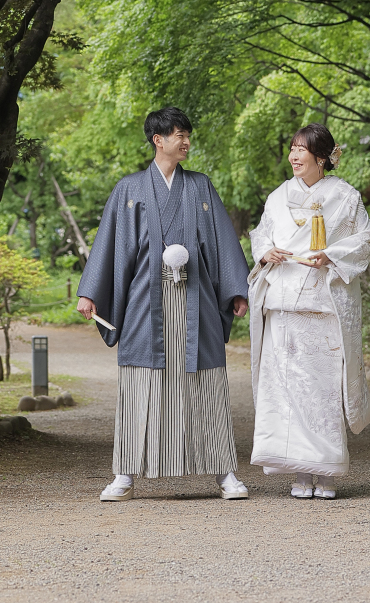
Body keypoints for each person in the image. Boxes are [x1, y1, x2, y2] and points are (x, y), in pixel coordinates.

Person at [77, 106, 250, 502]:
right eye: (178, 134)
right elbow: (112, 244)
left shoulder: (201, 187)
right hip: (144, 301)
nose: (186, 141)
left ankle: (224, 473)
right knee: (140, 383)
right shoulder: (129, 189)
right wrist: (91, 291)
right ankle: (124, 474)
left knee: (205, 382)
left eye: (187, 134)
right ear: (158, 140)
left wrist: (236, 289)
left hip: (198, 300)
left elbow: (223, 241)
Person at [248, 122, 370, 499]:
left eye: (301, 150)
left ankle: (326, 472)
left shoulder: (345, 196)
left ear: (322, 157)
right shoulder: (278, 196)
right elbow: (261, 233)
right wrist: (265, 252)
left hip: (321, 303)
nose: (293, 156)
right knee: (285, 390)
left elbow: (365, 237)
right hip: (283, 302)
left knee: (321, 389)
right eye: (291, 148)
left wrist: (332, 255)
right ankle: (297, 471)